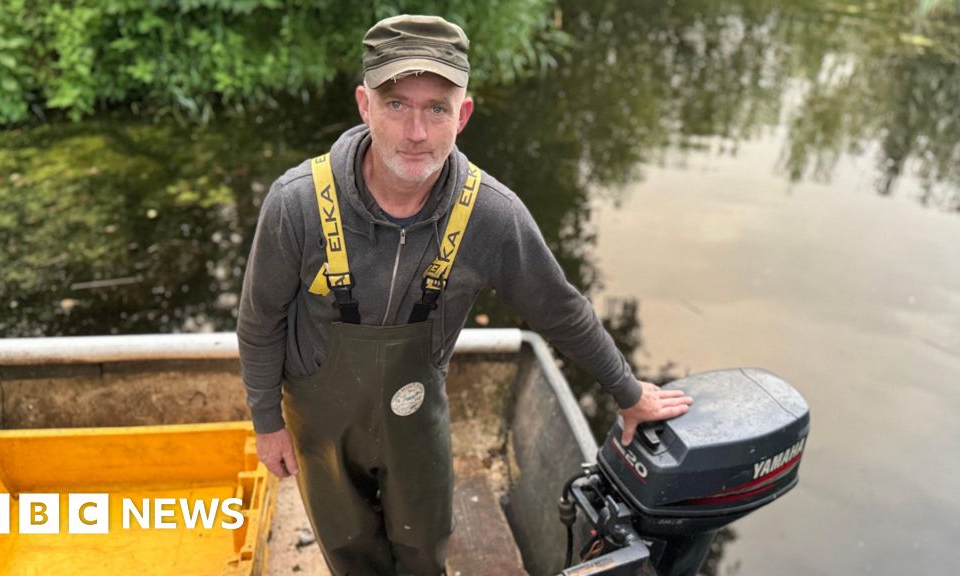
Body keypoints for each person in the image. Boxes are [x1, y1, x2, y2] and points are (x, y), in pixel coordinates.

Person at [236, 14, 693, 576]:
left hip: (416, 415)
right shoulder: (297, 204)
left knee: (424, 544)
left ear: (464, 115)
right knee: (347, 547)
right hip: (318, 423)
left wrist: (628, 392)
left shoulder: (491, 216)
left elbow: (561, 310)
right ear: (364, 105)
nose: (416, 132)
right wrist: (267, 423)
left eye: (437, 108)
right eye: (396, 104)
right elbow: (260, 323)